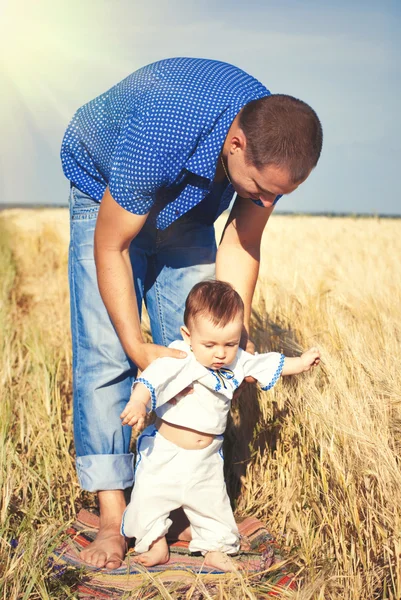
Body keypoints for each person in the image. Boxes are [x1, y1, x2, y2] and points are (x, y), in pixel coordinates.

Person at [61, 57, 323, 569]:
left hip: (192, 206)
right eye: (262, 189)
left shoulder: (271, 135)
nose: (267, 201)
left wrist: (236, 335)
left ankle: (169, 503)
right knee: (106, 354)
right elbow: (112, 246)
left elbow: (243, 242)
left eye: (280, 194)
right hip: (106, 189)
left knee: (203, 350)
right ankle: (114, 520)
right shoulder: (164, 123)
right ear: (237, 144)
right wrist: (137, 348)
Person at [119, 280, 321, 571]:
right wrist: (138, 402)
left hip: (206, 458)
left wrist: (299, 363)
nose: (220, 353)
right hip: (166, 453)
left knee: (213, 507)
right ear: (188, 336)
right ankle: (155, 544)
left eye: (229, 343)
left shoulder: (237, 361)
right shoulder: (180, 356)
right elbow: (152, 378)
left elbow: (266, 363)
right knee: (148, 499)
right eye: (209, 344)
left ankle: (215, 549)